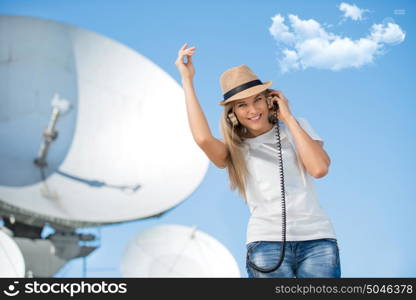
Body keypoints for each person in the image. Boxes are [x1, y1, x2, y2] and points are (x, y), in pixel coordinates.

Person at [175, 43, 341, 278]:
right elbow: (202, 139)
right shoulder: (236, 150)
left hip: (317, 240)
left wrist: (288, 117)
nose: (252, 110)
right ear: (232, 113)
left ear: (269, 100)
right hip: (266, 243)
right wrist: (187, 80)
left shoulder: (297, 128)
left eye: (257, 100)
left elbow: (319, 168)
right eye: (242, 105)